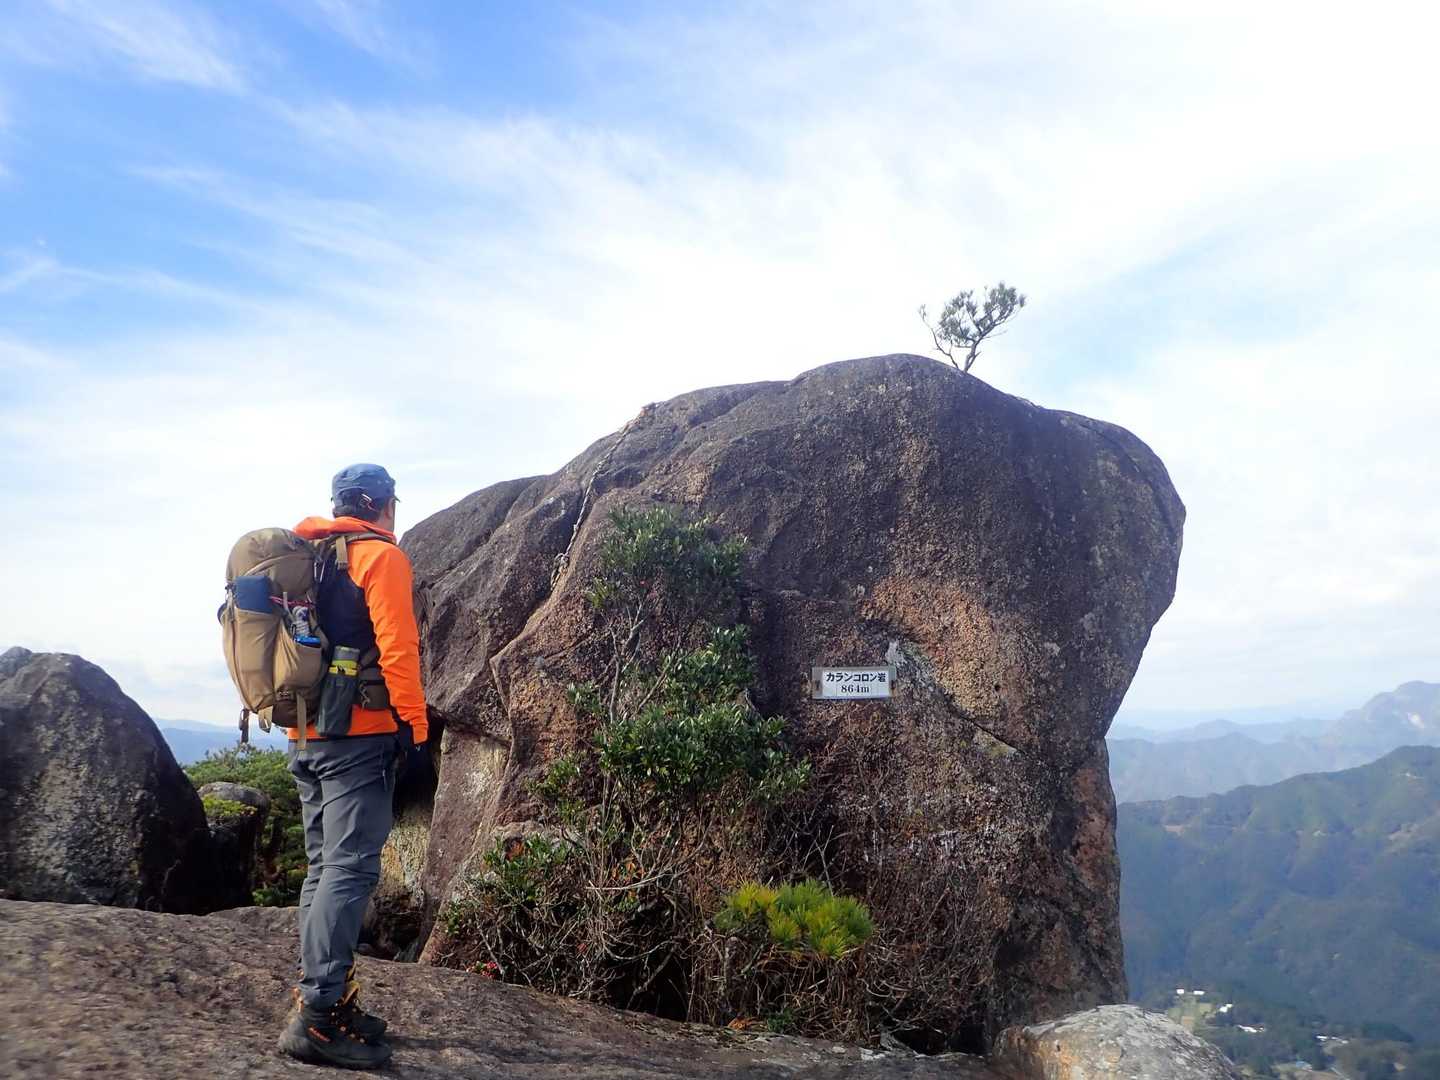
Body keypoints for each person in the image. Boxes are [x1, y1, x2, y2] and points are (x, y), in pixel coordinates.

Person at [276, 463, 429, 1070]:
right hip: (358, 739)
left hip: (304, 735)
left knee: (323, 868)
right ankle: (318, 1016)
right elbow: (398, 648)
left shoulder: (310, 555)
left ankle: (328, 997)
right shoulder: (379, 557)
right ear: (384, 505)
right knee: (349, 871)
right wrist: (415, 727)